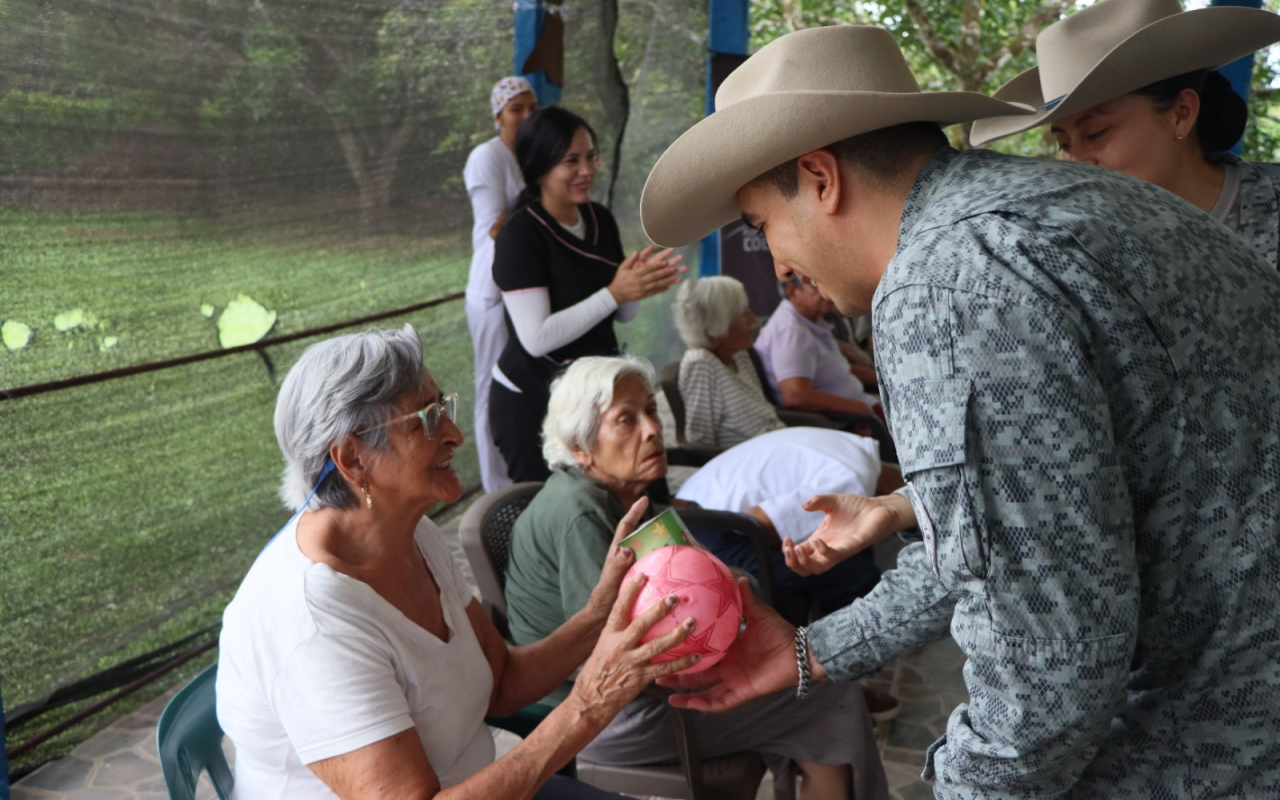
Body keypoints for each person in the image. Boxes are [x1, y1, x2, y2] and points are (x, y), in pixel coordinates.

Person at [639, 24, 1280, 798]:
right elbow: (1021, 540)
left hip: (1206, 748)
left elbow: (1046, 664)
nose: (776, 261)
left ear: (820, 178)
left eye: (761, 224)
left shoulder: (944, 288)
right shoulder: (1069, 202)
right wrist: (817, 651)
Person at [216, 325, 700, 800]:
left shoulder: (410, 535)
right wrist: (588, 706)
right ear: (353, 459)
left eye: (443, 407)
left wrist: (598, 613)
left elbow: (503, 682)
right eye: (425, 419)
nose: (455, 434)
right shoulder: (312, 624)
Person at [503, 356, 889, 800]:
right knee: (829, 702)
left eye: (650, 411)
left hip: (636, 693)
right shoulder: (579, 512)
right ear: (579, 447)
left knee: (811, 683)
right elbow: (617, 650)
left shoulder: (628, 492)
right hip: (599, 716)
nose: (651, 429)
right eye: (626, 420)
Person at [970, 0, 1280, 267]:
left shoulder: (1270, 209)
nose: (1076, 164)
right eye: (1063, 143)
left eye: (1095, 133)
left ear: (1181, 113)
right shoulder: (1078, 245)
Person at [490, 106, 684, 483]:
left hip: (593, 396)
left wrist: (636, 285)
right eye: (571, 161)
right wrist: (614, 292)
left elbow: (622, 314)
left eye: (591, 156)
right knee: (557, 514)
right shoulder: (521, 236)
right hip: (532, 397)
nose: (587, 169)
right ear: (538, 166)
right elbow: (536, 337)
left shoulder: (598, 218)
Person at [675, 426, 902, 619]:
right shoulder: (853, 481)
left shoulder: (856, 449)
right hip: (707, 527)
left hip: (697, 497)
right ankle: (822, 658)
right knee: (858, 575)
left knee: (851, 552)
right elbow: (762, 522)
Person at [464, 77, 538, 491]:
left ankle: (522, 473)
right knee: (492, 387)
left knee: (520, 383)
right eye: (516, 109)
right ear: (498, 117)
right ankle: (496, 487)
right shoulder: (486, 157)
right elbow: (495, 228)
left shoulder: (529, 155)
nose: (526, 117)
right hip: (491, 290)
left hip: (521, 286)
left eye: (532, 108)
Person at [671, 275, 784, 448]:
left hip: (778, 443)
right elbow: (700, 441)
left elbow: (763, 414)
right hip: (751, 460)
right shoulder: (701, 364)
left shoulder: (739, 353)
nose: (753, 321)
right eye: (743, 315)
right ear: (715, 329)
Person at [754, 276, 879, 421]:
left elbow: (839, 369)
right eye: (815, 287)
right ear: (792, 292)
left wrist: (883, 379)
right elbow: (796, 396)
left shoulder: (812, 321)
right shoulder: (790, 331)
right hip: (850, 421)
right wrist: (861, 409)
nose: (825, 292)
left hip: (864, 406)